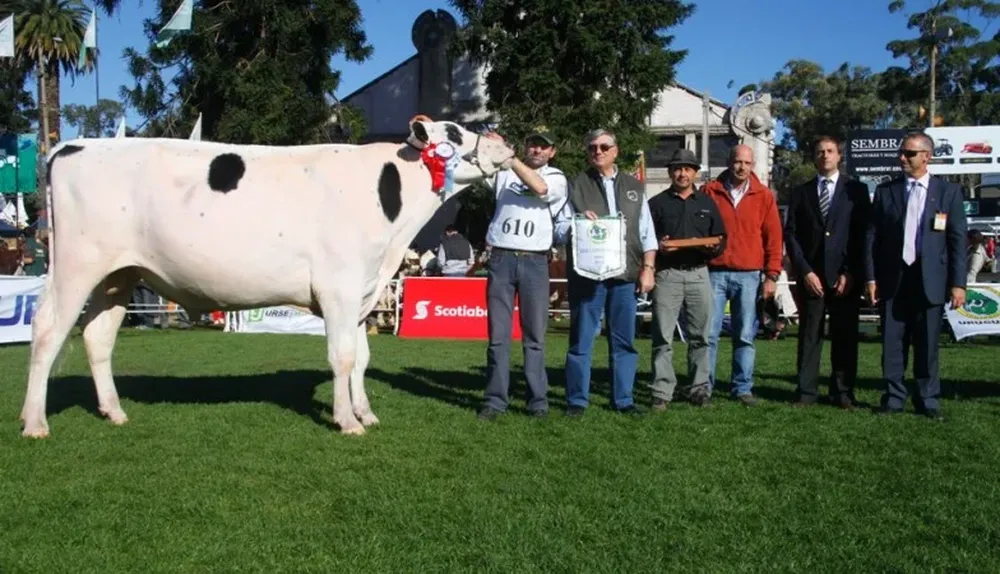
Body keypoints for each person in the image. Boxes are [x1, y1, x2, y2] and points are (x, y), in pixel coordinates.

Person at [865, 131, 967, 420]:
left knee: (927, 344)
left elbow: (957, 241)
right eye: (902, 152)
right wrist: (871, 278)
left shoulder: (948, 192)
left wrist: (958, 283)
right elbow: (872, 238)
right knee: (892, 343)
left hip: (930, 280)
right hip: (893, 279)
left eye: (909, 153)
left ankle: (928, 399)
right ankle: (894, 397)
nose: (902, 158)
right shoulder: (887, 191)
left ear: (926, 156)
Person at [556, 128, 657, 416]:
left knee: (624, 341)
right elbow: (559, 230)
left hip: (625, 276)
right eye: (591, 148)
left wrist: (648, 268)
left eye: (603, 146)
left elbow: (647, 232)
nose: (597, 152)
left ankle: (624, 399)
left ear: (616, 151)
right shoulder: (575, 185)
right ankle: (577, 401)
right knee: (581, 340)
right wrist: (577, 221)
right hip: (588, 276)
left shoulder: (635, 187)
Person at [478, 127, 568, 420]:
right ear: (526, 146)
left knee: (534, 336)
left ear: (552, 152)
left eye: (543, 147)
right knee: (498, 337)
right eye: (533, 144)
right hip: (501, 258)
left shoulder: (556, 177)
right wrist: (490, 144)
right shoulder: (502, 173)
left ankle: (537, 400)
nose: (537, 150)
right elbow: (477, 161)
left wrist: (510, 157)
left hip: (535, 262)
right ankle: (494, 400)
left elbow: (540, 189)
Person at [784, 136, 870, 409]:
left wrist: (850, 271)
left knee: (844, 336)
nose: (825, 156)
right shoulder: (801, 192)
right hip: (812, 278)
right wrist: (805, 271)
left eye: (830, 151)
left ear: (839, 156)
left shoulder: (856, 190)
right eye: (819, 151)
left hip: (845, 278)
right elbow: (792, 234)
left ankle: (842, 392)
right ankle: (806, 392)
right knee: (809, 336)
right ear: (813, 157)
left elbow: (862, 235)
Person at [702, 145, 783, 406]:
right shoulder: (710, 191)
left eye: (747, 163)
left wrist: (771, 275)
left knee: (745, 335)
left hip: (749, 275)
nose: (742, 167)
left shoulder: (764, 196)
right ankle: (704, 386)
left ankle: (742, 388)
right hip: (715, 272)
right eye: (737, 161)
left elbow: (773, 238)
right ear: (729, 161)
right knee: (709, 334)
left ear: (753, 165)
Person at [646, 149, 726, 409]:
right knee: (662, 337)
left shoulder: (707, 203)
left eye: (688, 169)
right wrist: (659, 245)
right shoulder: (656, 204)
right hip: (667, 275)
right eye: (678, 168)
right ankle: (661, 391)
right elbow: (644, 240)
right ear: (671, 172)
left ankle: (699, 389)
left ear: (695, 173)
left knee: (701, 336)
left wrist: (711, 248)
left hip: (699, 274)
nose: (683, 173)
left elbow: (720, 239)